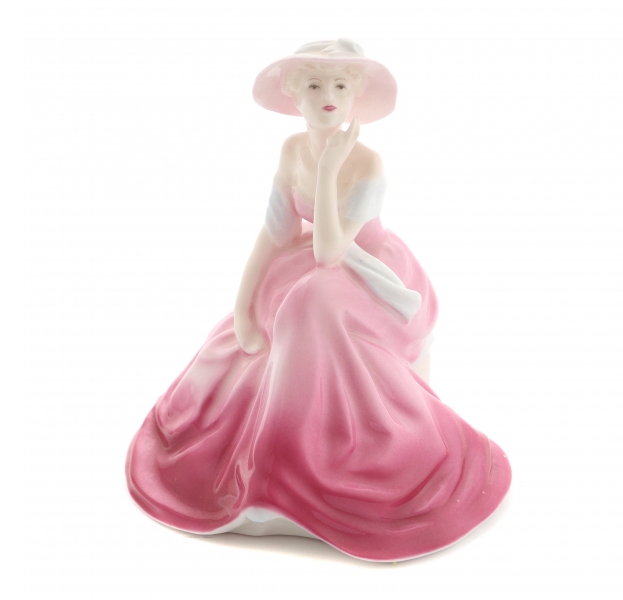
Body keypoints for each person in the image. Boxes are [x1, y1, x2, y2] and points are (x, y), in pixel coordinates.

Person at [126, 39, 511, 562]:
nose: (329, 94)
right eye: (314, 84)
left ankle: (317, 455)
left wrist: (329, 171)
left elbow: (332, 250)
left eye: (341, 85)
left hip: (370, 272)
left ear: (355, 96)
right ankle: (252, 446)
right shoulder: (291, 151)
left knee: (307, 303)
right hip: (314, 264)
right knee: (269, 306)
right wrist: (242, 305)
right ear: (294, 95)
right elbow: (276, 232)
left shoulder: (368, 163)